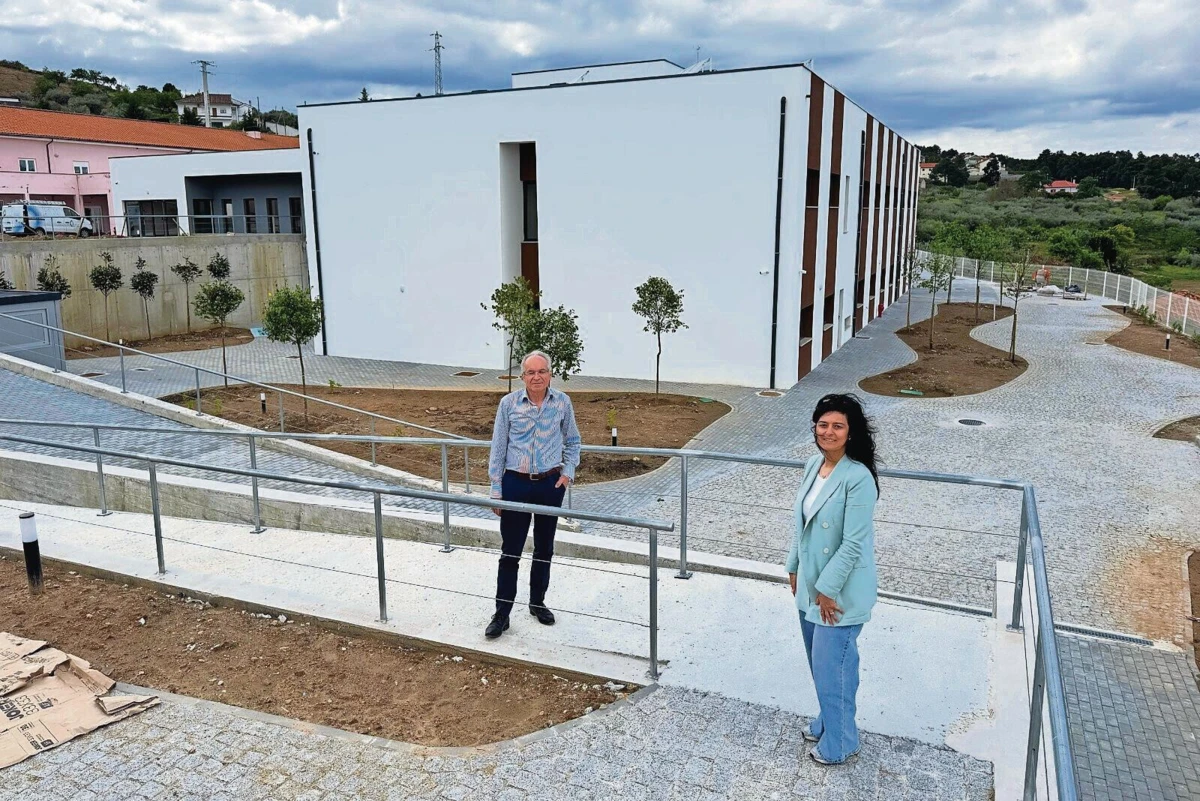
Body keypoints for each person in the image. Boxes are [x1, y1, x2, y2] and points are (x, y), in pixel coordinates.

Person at [786, 392, 880, 765]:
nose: (828, 431)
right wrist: (793, 565)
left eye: (837, 425)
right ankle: (830, 719)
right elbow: (802, 524)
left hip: (839, 592)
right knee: (819, 663)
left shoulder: (858, 479)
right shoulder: (814, 465)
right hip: (810, 585)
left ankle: (841, 742)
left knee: (835, 666)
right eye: (823, 424)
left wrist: (826, 591)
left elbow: (854, 543)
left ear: (851, 431)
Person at [485, 350, 581, 639]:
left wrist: (567, 473)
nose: (537, 377)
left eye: (542, 371)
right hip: (515, 483)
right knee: (510, 552)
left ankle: (537, 603)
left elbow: (574, 441)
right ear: (522, 376)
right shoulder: (509, 404)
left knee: (544, 549)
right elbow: (498, 448)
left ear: (550, 373)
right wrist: (496, 488)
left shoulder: (563, 403)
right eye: (531, 372)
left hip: (549, 485)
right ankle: (502, 614)